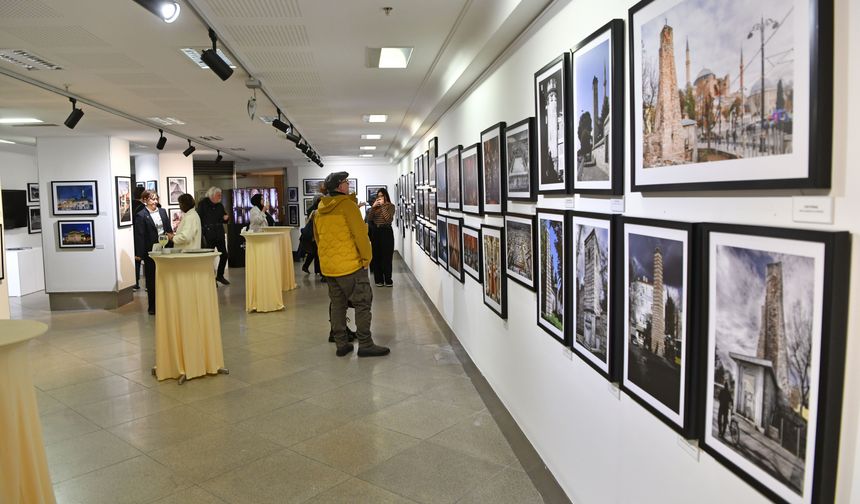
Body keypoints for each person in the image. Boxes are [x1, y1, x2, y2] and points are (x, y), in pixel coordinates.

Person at [314, 171, 389, 357]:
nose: (349, 185)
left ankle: (342, 344)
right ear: (340, 186)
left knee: (338, 305)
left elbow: (318, 238)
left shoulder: (320, 209)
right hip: (351, 266)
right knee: (363, 303)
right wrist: (366, 259)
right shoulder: (348, 206)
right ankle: (365, 344)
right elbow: (360, 236)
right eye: (346, 182)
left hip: (330, 268)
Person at [134, 190, 173, 315]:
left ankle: (167, 305)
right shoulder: (141, 215)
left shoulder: (162, 211)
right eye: (152, 199)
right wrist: (139, 254)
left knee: (166, 277)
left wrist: (170, 236)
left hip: (165, 248)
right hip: (150, 251)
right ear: (145, 200)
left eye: (156, 199)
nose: (155, 202)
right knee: (151, 279)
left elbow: (168, 228)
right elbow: (139, 236)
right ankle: (153, 306)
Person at [197, 186, 230, 285]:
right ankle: (211, 278)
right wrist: (202, 233)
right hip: (208, 235)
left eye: (220, 195)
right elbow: (199, 219)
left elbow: (223, 218)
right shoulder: (202, 205)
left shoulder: (220, 206)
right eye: (218, 195)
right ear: (212, 195)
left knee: (224, 255)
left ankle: (220, 276)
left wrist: (225, 218)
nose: (220, 197)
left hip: (219, 233)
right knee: (209, 258)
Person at [366, 188, 396, 286]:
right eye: (378, 196)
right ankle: (378, 280)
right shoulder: (374, 207)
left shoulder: (391, 206)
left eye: (382, 196)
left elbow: (388, 219)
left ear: (386, 196)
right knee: (376, 256)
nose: (380, 198)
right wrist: (373, 208)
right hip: (376, 232)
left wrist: (383, 206)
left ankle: (388, 279)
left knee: (387, 256)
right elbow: (369, 219)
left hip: (386, 231)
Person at [132, 185, 146, 290]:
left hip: (131, 235)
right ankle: (145, 283)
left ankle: (134, 282)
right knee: (143, 258)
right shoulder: (142, 207)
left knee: (136, 259)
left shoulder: (130, 205)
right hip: (141, 235)